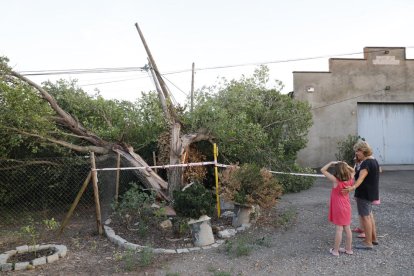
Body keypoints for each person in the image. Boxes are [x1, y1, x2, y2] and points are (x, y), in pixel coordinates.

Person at [342, 140, 380, 250]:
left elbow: (361, 178)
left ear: (363, 150)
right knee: (369, 216)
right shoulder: (374, 161)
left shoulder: (366, 163)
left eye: (357, 151)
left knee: (365, 217)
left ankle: (368, 243)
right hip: (371, 193)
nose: (356, 154)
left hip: (364, 194)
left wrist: (352, 187)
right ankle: (373, 238)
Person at [321, 160, 355, 256]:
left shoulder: (336, 180)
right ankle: (348, 249)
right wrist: (347, 165)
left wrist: (331, 163)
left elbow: (323, 170)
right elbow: (354, 171)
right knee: (347, 228)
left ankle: (335, 251)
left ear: (337, 171)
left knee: (339, 229)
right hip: (347, 206)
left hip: (338, 207)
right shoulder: (350, 179)